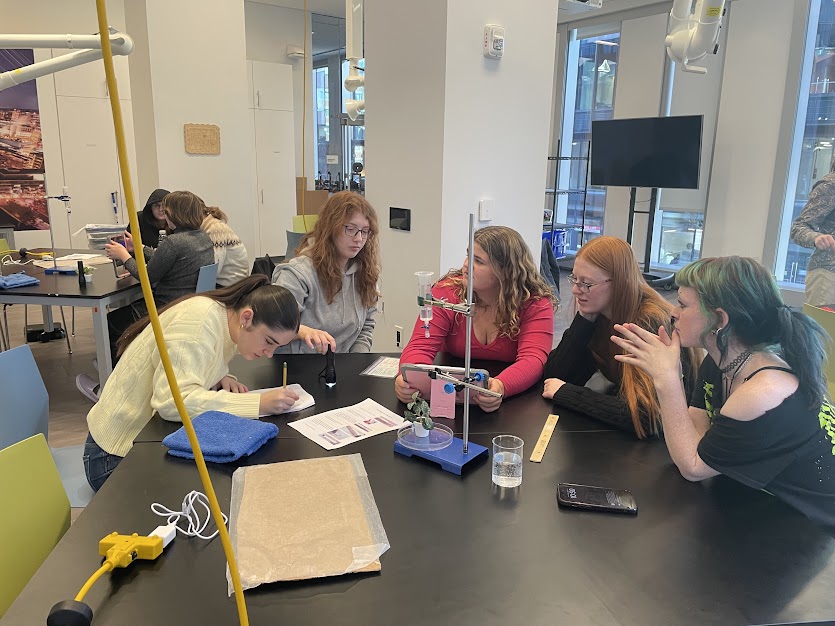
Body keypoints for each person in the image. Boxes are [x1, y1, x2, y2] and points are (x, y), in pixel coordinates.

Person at [612, 256, 835, 535]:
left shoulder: (763, 390)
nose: (673, 312)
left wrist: (667, 378)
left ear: (719, 319)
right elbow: (694, 433)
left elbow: (693, 466)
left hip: (815, 534)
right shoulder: (721, 362)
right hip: (771, 510)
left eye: (683, 304)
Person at [83, 275, 301, 491]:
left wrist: (217, 375)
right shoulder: (197, 324)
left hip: (143, 442)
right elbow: (171, 403)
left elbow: (194, 360)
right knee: (217, 492)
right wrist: (258, 404)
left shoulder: (226, 320)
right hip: (113, 457)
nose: (269, 354)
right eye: (269, 342)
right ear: (246, 318)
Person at [541, 236, 700, 438]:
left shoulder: (648, 322)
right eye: (574, 279)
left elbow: (647, 416)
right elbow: (555, 376)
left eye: (586, 284)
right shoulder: (600, 313)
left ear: (619, 283)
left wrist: (567, 393)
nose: (575, 290)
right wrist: (584, 321)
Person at [396, 226, 557, 413]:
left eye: (478, 261)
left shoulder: (535, 303)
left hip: (512, 401)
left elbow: (534, 359)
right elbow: (420, 346)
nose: (466, 265)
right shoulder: (447, 292)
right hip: (448, 392)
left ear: (504, 271)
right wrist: (409, 380)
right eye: (468, 255)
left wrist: (501, 386)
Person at [103, 190, 215, 360]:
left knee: (111, 322)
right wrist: (139, 248)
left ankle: (113, 374)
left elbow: (147, 276)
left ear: (174, 214)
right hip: (188, 303)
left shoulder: (174, 242)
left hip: (166, 306)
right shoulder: (202, 237)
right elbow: (164, 259)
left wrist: (124, 256)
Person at [272, 191, 380, 354]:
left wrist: (357, 364)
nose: (358, 239)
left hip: (343, 367)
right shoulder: (297, 274)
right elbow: (273, 326)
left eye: (365, 231)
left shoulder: (365, 273)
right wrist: (302, 331)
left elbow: (365, 328)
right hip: (297, 368)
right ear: (331, 228)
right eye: (350, 229)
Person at [790, 169, 835, 306]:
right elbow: (798, 227)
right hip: (828, 275)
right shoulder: (830, 185)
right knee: (824, 327)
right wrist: (816, 238)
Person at [202, 205, 249, 287]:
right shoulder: (211, 226)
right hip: (231, 283)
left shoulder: (215, 229)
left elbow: (213, 272)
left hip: (231, 286)